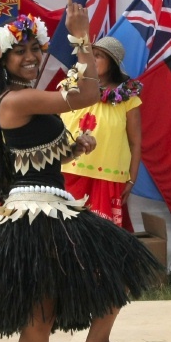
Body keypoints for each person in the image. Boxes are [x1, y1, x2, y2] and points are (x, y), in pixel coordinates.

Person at [0, 8, 161, 342]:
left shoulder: (20, 99)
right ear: (2, 59)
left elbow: (30, 159)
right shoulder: (16, 98)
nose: (31, 56)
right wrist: (82, 38)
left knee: (43, 317)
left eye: (35, 48)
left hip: (45, 205)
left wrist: (74, 150)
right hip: (39, 214)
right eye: (20, 51)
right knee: (117, 266)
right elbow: (87, 94)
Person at [61, 36, 141, 232]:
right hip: (68, 172)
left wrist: (131, 179)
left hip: (108, 177)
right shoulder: (69, 88)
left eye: (98, 56)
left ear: (112, 63)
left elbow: (135, 142)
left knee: (101, 237)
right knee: (66, 233)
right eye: (90, 55)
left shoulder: (128, 99)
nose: (92, 60)